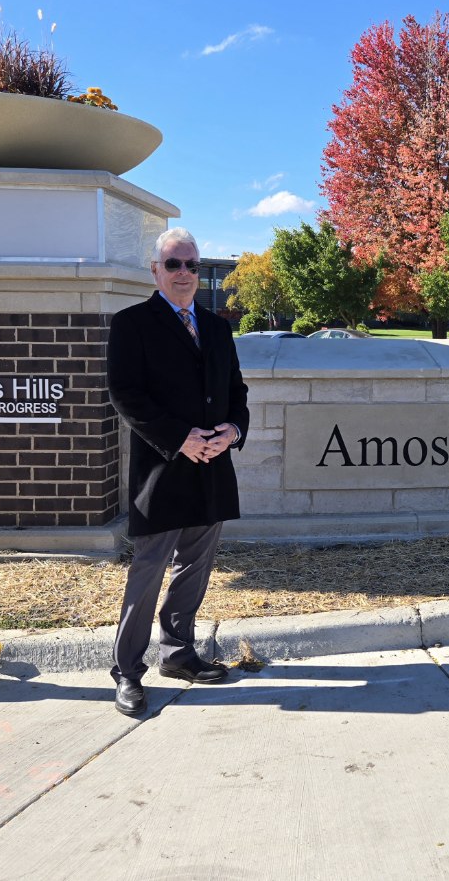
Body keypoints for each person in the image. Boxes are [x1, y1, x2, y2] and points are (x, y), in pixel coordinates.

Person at [107, 226, 249, 717]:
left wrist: (231, 430)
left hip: (211, 467)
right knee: (147, 572)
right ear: (156, 270)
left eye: (192, 264)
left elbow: (236, 391)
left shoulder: (216, 327)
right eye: (174, 264)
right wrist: (179, 438)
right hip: (163, 469)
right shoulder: (132, 324)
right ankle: (127, 670)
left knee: (196, 565)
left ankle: (178, 653)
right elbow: (126, 395)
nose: (184, 273)